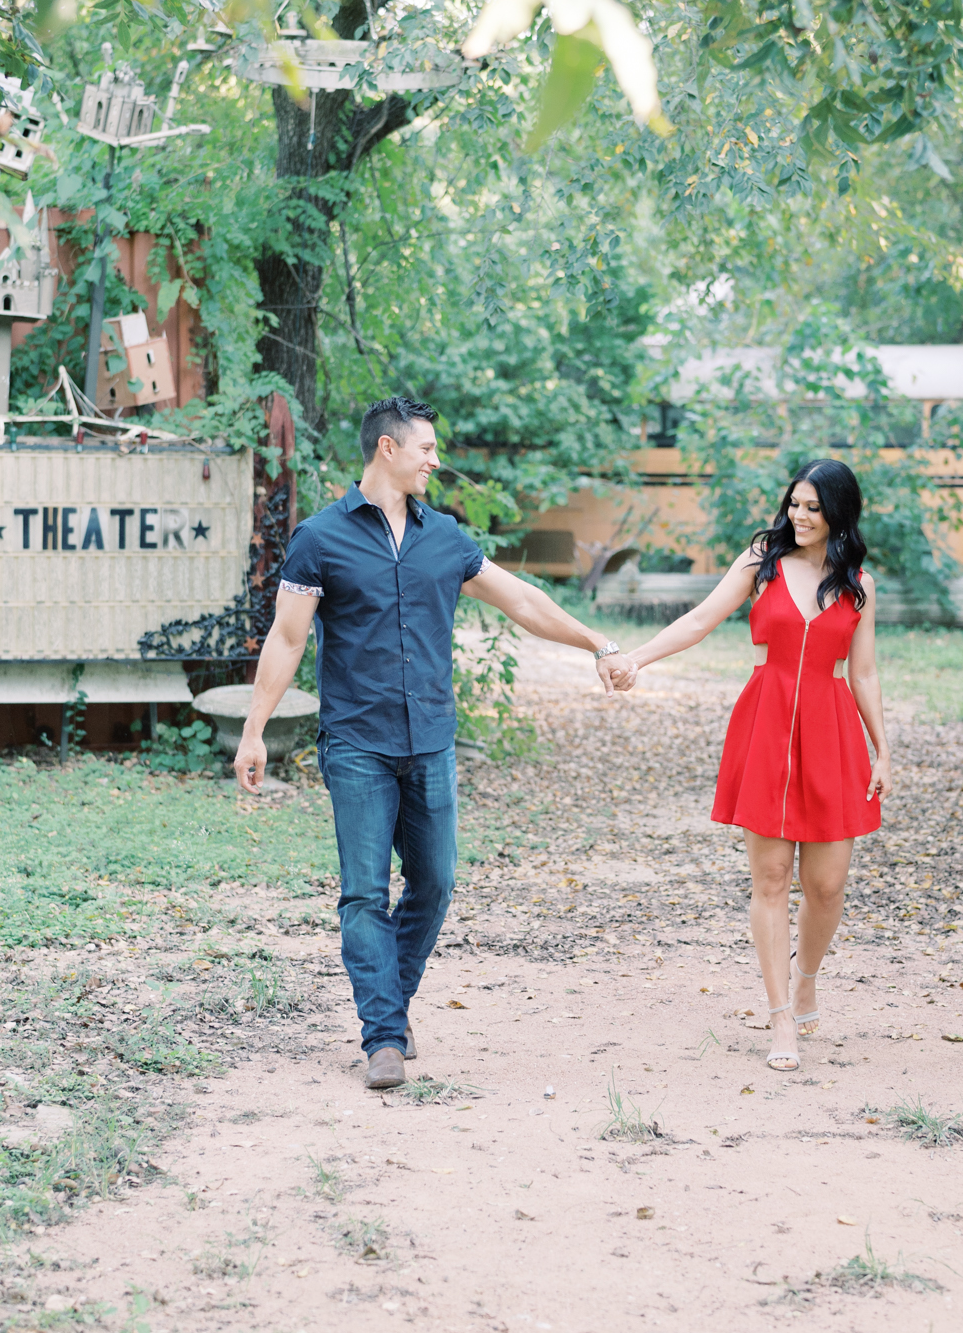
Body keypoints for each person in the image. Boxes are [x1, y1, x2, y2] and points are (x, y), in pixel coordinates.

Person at [234, 395, 628, 1090]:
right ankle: (383, 1036)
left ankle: (392, 996)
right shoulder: (320, 538)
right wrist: (255, 730)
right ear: (388, 448)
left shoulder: (444, 536)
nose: (435, 460)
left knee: (437, 880)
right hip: (356, 741)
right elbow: (288, 637)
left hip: (431, 743)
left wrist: (596, 640)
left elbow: (524, 601)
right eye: (426, 448)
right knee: (363, 894)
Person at [609, 460, 890, 1071]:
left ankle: (807, 975)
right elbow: (700, 620)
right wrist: (637, 658)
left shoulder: (859, 584)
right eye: (795, 503)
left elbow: (863, 672)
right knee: (769, 880)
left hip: (831, 729)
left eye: (814, 507)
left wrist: (882, 749)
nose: (800, 516)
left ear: (840, 512)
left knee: (827, 884)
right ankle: (780, 1016)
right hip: (765, 725)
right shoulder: (760, 562)